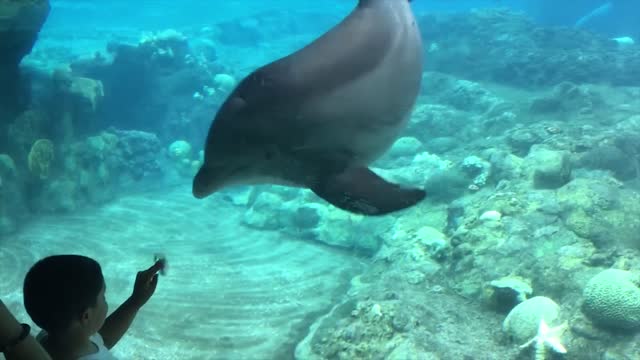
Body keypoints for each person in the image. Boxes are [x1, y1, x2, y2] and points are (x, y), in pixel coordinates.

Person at [22, 254, 163, 360]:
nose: (105, 301)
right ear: (86, 316)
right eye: (103, 297)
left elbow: (102, 341)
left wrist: (135, 302)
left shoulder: (47, 338)